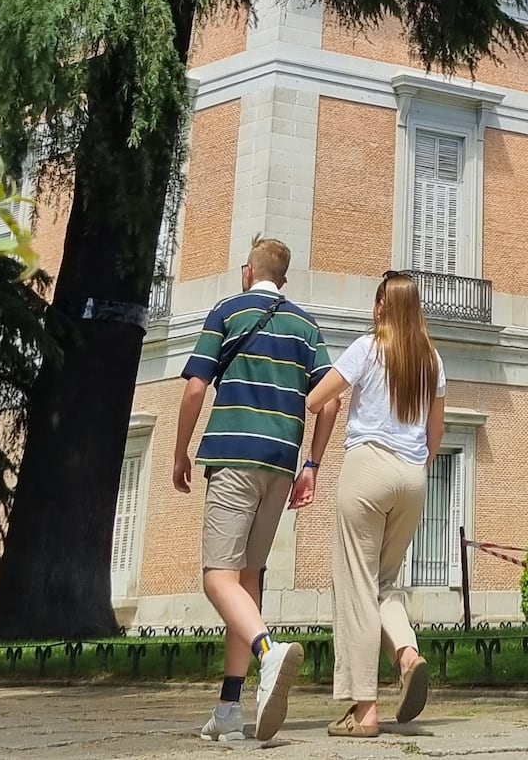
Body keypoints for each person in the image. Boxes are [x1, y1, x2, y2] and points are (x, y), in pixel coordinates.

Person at [176, 236, 330, 745]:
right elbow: (329, 401)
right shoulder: (306, 326)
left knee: (216, 578)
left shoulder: (227, 311)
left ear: (248, 271)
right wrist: (312, 465)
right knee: (247, 580)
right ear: (283, 279)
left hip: (234, 454)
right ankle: (228, 707)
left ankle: (268, 651)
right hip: (281, 463)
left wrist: (181, 451)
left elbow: (195, 386)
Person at [299, 271, 445, 739]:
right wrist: (417, 464)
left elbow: (317, 399)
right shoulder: (432, 360)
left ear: (383, 306)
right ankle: (407, 654)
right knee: (383, 583)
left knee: (357, 587)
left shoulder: (366, 348)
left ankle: (364, 710)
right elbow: (436, 431)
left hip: (367, 468)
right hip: (412, 476)